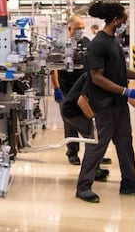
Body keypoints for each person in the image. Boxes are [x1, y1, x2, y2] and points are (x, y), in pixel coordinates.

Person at [76, 1, 135, 203]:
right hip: (103, 105)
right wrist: (125, 90)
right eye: (124, 19)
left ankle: (129, 183)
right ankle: (83, 187)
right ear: (116, 19)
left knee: (125, 144)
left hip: (118, 105)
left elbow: (120, 70)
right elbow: (97, 77)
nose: (125, 22)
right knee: (97, 146)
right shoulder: (98, 44)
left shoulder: (114, 41)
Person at [61, 73, 135, 181]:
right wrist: (94, 120)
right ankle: (91, 173)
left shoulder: (111, 78)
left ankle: (95, 168)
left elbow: (125, 95)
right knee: (95, 138)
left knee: (98, 138)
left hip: (80, 111)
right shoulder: (96, 78)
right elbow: (81, 101)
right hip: (73, 112)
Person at [52, 15, 110, 166]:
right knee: (70, 122)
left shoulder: (87, 42)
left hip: (84, 89)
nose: (81, 31)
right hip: (66, 88)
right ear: (70, 28)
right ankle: (72, 153)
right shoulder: (60, 45)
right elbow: (54, 69)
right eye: (78, 28)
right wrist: (57, 88)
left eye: (83, 28)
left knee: (91, 120)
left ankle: (94, 152)